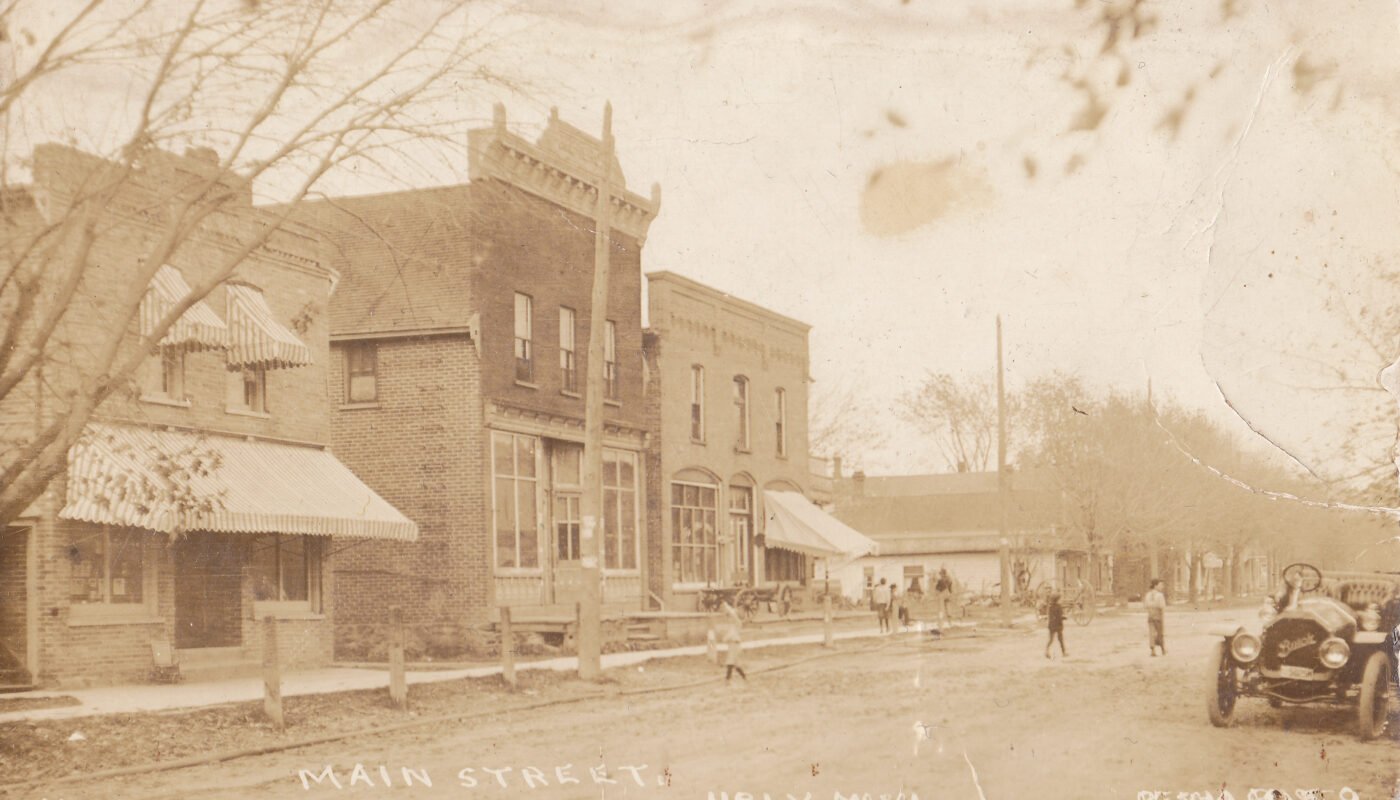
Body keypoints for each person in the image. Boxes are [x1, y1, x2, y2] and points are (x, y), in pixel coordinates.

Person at [720, 600, 746, 682]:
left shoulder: (737, 623)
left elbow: (733, 614)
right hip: (733, 645)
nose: (729, 618)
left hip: (735, 644)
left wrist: (726, 604)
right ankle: (744, 677)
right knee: (735, 663)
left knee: (730, 661)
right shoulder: (732, 625)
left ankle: (727, 679)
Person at [1145, 579, 1167, 656]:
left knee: (1151, 633)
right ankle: (1163, 649)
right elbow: (1162, 607)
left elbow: (1146, 605)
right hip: (1158, 615)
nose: (1162, 587)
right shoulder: (1160, 595)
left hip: (1150, 615)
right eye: (1160, 585)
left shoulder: (1148, 595)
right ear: (1155, 586)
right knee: (1160, 632)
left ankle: (1153, 650)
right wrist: (1162, 617)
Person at [1045, 592, 1067, 659]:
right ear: (1057, 600)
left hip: (1051, 625)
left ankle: (1046, 651)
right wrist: (1064, 618)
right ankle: (1064, 652)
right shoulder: (1059, 607)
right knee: (1060, 639)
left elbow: (1051, 616)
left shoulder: (1050, 607)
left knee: (1051, 640)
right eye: (1060, 599)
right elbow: (1060, 616)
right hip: (1058, 625)